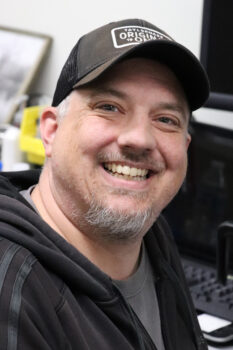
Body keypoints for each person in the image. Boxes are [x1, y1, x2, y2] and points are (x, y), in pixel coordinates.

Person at [0, 19, 209, 350]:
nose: (139, 138)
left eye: (165, 120)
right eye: (109, 107)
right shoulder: (12, 290)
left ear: (184, 149)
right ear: (51, 132)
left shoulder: (152, 236)